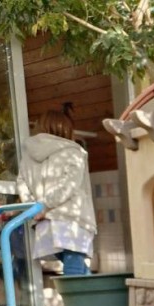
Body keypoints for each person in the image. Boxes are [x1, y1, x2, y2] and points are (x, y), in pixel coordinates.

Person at [16, 105, 96, 276]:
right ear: (65, 129)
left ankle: (97, 293)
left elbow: (21, 183)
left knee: (77, 266)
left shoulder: (28, 155)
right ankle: (78, 296)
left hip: (43, 220)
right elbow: (70, 185)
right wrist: (44, 206)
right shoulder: (73, 152)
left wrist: (35, 208)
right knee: (74, 268)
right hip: (70, 218)